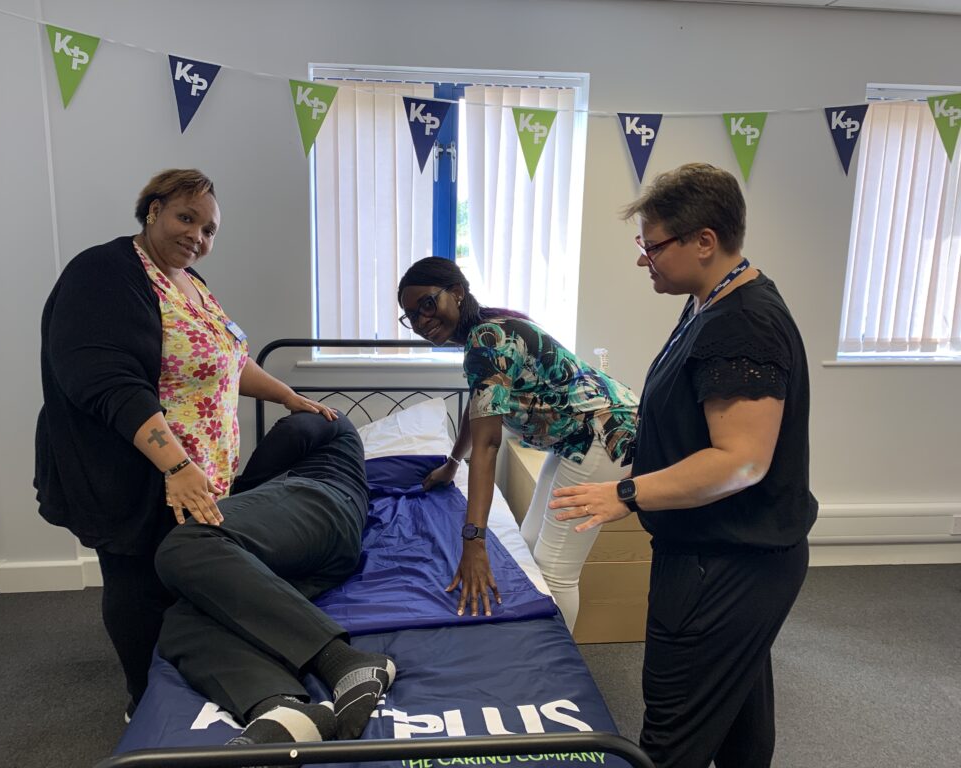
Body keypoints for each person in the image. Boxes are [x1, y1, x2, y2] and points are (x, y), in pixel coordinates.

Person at [34, 169, 335, 715]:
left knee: (184, 575)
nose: (198, 236)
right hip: (141, 471)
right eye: (186, 218)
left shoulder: (192, 284)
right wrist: (175, 467)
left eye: (210, 230)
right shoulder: (106, 273)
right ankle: (144, 700)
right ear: (153, 210)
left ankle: (186, 676)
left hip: (197, 471)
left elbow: (227, 363)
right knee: (138, 582)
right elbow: (109, 384)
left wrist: (289, 397)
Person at [550, 163, 818, 768]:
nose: (644, 260)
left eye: (654, 246)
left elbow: (741, 461)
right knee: (739, 724)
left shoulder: (742, 321)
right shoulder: (710, 302)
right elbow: (699, 419)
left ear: (705, 241)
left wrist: (628, 491)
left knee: (672, 739)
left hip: (724, 565)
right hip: (729, 555)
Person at [397, 257, 638, 629]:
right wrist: (452, 462)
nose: (421, 321)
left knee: (556, 570)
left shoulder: (486, 340)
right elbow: (480, 410)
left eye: (427, 304)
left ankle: (558, 671)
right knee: (527, 540)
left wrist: (473, 540)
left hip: (604, 436)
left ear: (457, 293)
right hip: (580, 437)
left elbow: (489, 444)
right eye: (411, 315)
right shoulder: (486, 332)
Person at [155, 410, 395, 746]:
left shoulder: (328, 419)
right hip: (315, 550)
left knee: (186, 543)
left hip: (320, 501)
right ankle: (280, 707)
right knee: (185, 613)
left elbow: (294, 430)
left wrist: (242, 488)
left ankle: (342, 660)